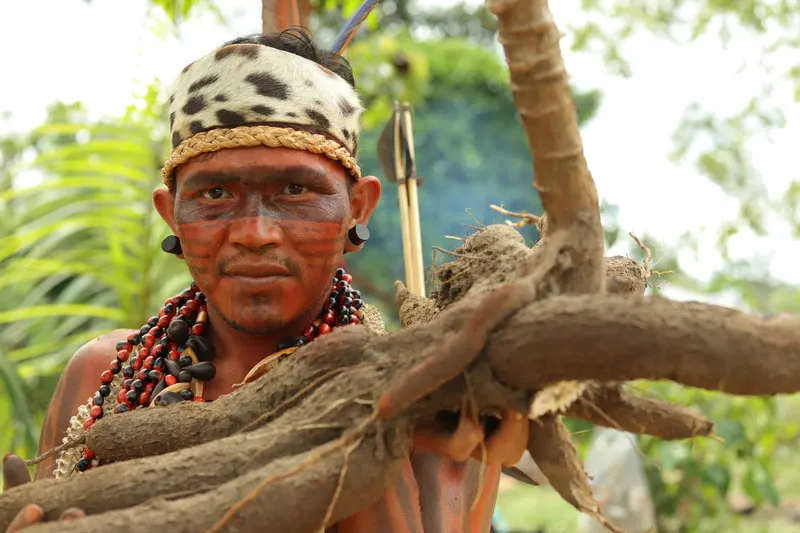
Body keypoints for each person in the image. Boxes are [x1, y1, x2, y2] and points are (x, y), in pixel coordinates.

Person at [2, 28, 529, 532]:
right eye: (214, 194)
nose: (255, 233)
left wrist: (372, 437)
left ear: (357, 206)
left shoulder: (429, 401)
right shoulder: (102, 376)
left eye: (296, 190)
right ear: (171, 216)